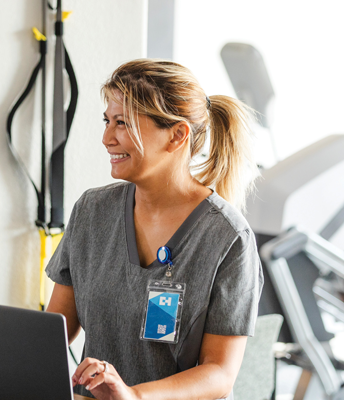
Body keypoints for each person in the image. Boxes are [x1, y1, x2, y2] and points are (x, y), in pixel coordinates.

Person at [45, 59, 263, 400]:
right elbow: (53, 332)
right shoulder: (92, 211)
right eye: (107, 121)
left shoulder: (227, 238)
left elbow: (219, 373)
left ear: (176, 135)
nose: (106, 138)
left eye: (122, 123)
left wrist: (134, 396)